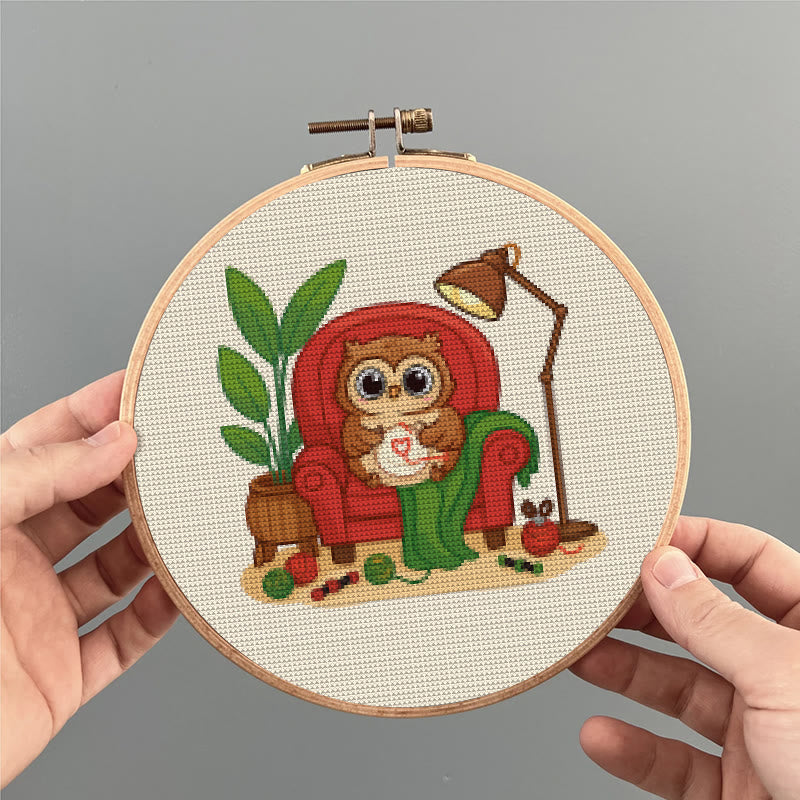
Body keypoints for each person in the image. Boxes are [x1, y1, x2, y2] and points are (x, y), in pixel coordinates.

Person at [1, 373, 798, 797]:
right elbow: (355, 452)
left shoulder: (449, 419)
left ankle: (447, 539)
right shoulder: (351, 435)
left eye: (411, 381)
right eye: (373, 384)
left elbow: (450, 439)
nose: (392, 398)